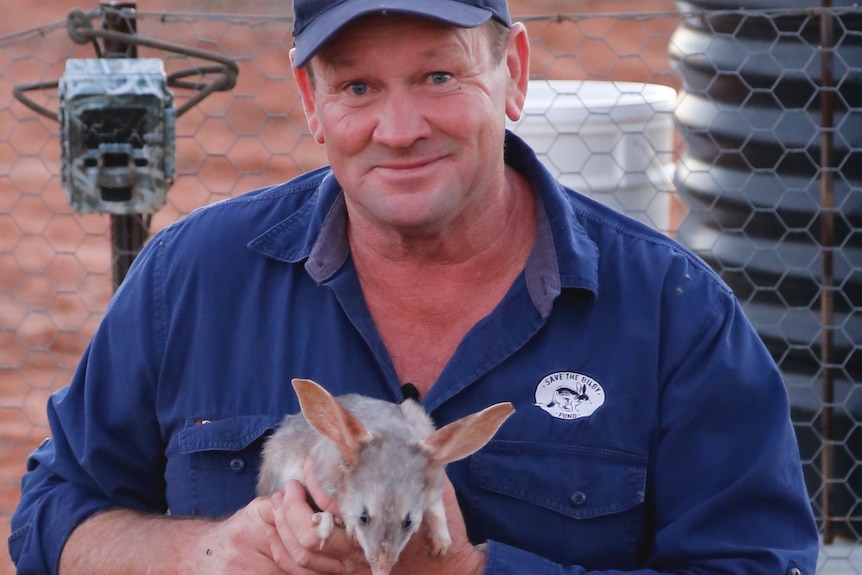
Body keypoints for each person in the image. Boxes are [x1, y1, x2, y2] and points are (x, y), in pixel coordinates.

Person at [9, 0, 820, 573]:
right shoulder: (189, 280)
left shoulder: (673, 315)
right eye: (358, 86)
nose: (399, 132)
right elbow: (52, 514)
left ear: (513, 75)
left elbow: (755, 562)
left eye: (437, 76)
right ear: (311, 101)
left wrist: (473, 573)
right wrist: (204, 552)